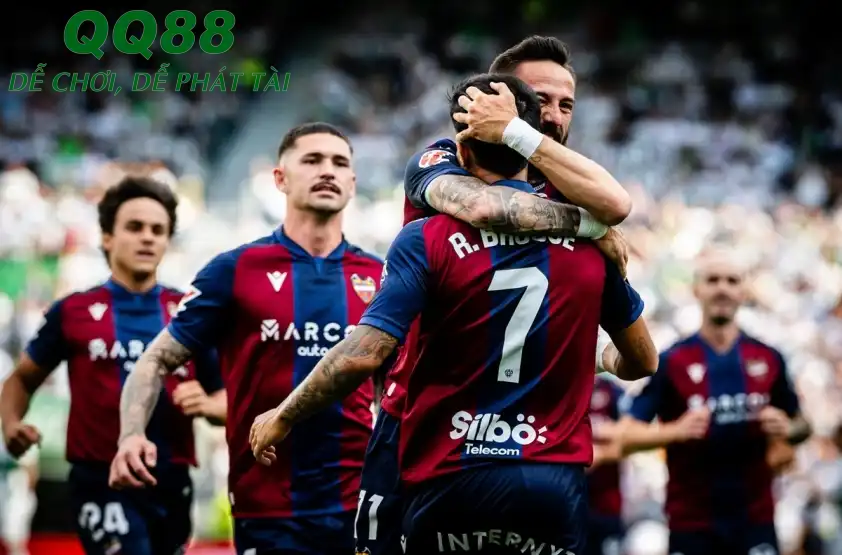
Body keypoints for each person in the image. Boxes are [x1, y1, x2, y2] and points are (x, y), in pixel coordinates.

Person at [250, 73, 658, 555]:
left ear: (461, 150)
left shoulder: (428, 237)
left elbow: (364, 354)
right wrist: (595, 355)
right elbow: (642, 361)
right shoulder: (593, 250)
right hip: (552, 483)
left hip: (452, 471)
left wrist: (284, 414)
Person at [352, 35, 633, 555]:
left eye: (566, 104)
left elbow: (618, 204)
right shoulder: (442, 157)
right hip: (419, 421)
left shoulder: (567, 180)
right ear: (495, 100)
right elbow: (485, 207)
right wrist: (589, 226)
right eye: (538, 100)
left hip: (526, 441)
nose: (552, 116)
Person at [112, 122, 383, 555]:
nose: (327, 171)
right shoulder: (234, 270)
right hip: (267, 509)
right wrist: (130, 435)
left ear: (352, 182)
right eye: (312, 160)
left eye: (339, 163)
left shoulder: (381, 276)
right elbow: (155, 359)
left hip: (361, 503)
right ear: (280, 178)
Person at [0, 176, 225, 555]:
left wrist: (208, 405)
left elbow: (226, 398)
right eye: (135, 227)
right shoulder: (73, 311)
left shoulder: (188, 314)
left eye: (158, 230)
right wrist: (10, 423)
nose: (147, 237)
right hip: (100, 479)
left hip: (171, 478)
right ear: (107, 237)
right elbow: (21, 379)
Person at [618, 248, 812, 555]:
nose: (722, 288)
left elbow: (802, 425)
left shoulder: (768, 358)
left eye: (732, 281)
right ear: (697, 289)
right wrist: (676, 431)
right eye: (713, 280)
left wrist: (788, 429)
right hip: (691, 525)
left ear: (744, 292)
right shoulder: (673, 360)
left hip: (756, 522)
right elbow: (626, 436)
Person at [586, 367, 627, 555]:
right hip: (568, 497)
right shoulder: (559, 389)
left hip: (607, 502)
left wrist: (601, 453)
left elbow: (631, 438)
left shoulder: (612, 391)